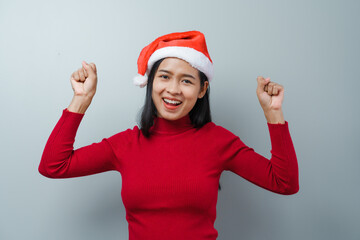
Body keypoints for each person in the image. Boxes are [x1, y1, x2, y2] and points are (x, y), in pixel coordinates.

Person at [39, 30, 299, 240]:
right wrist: (81, 100)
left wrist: (273, 112)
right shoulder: (126, 145)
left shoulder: (219, 142)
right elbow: (53, 166)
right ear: (151, 82)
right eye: (164, 77)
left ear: (201, 89)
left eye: (186, 81)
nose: (173, 89)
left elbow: (284, 183)